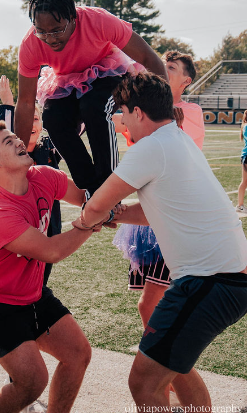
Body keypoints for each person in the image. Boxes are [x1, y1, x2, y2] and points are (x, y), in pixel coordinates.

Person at [76, 72, 247, 408]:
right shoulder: (175, 138)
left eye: (123, 113)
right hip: (224, 280)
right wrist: (116, 215)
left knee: (144, 382)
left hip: (207, 282)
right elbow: (160, 207)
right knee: (175, 369)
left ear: (138, 112)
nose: (121, 121)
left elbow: (96, 203)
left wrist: (85, 221)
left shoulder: (150, 147)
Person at [0, 120, 115, 413]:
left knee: (77, 354)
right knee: (32, 382)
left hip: (34, 295)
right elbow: (51, 251)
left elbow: (90, 202)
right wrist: (88, 224)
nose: (19, 141)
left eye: (15, 137)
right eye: (8, 142)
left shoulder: (44, 176)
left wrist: (110, 210)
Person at [14, 0, 167, 199]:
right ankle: (92, 188)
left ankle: (109, 186)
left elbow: (148, 57)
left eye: (57, 30)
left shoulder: (98, 20)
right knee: (52, 119)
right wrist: (18, 154)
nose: (50, 39)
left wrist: (168, 109)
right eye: (42, 32)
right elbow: (26, 103)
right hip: (67, 81)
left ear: (73, 18)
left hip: (107, 71)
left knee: (94, 106)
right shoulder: (31, 44)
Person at [112, 51, 205, 330]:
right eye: (162, 65)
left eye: (171, 68)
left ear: (186, 81)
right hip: (147, 211)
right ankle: (161, 363)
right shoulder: (143, 110)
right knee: (153, 303)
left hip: (171, 213)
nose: (162, 69)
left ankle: (162, 363)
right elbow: (110, 120)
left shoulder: (190, 112)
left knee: (152, 304)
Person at [0, 75, 61, 285]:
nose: (31, 123)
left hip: (47, 223)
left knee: (42, 277)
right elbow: (2, 131)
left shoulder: (50, 146)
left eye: (36, 118)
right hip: (17, 222)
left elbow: (75, 128)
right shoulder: (10, 150)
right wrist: (7, 102)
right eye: (26, 118)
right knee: (17, 275)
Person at [236, 109, 247, 215]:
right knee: (244, 182)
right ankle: (240, 205)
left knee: (245, 182)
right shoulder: (247, 126)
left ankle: (240, 205)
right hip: (246, 156)